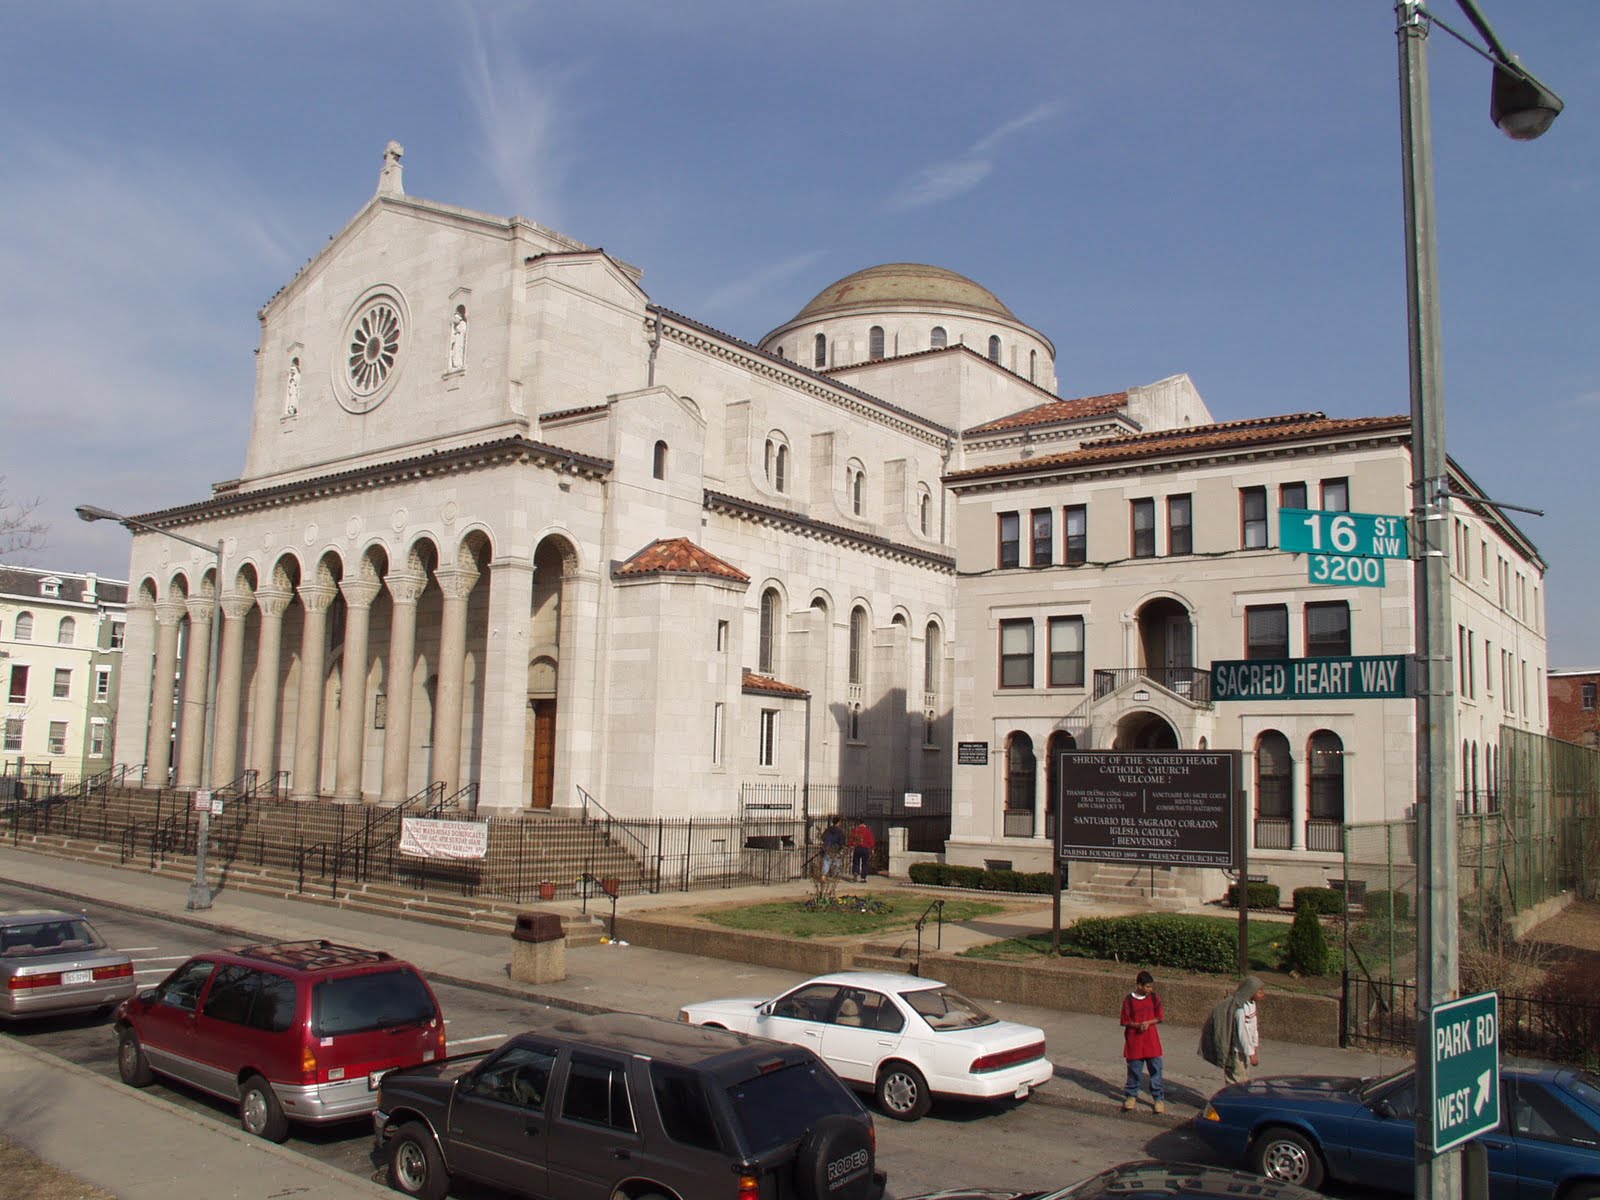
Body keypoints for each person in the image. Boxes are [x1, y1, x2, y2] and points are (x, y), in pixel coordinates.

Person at [1205, 975, 1264, 1085]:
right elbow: (1243, 1033)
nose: (1262, 994)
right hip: (1237, 1051)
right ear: (1250, 992)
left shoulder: (1252, 1005)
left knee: (1244, 1078)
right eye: (1259, 991)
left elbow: (1254, 1028)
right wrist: (1251, 1053)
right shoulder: (1240, 1010)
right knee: (1236, 1080)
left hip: (1245, 1050)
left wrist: (1254, 1047)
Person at [1120, 969, 1165, 1113]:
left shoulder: (1154, 998)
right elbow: (1125, 1020)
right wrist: (1138, 1025)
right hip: (1135, 1041)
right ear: (1139, 985)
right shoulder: (1129, 1000)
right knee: (1134, 1071)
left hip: (1151, 1041)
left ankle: (1158, 1098)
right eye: (1147, 986)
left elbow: (1159, 1017)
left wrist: (1148, 1023)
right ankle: (1131, 1096)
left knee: (1156, 1070)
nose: (1150, 989)